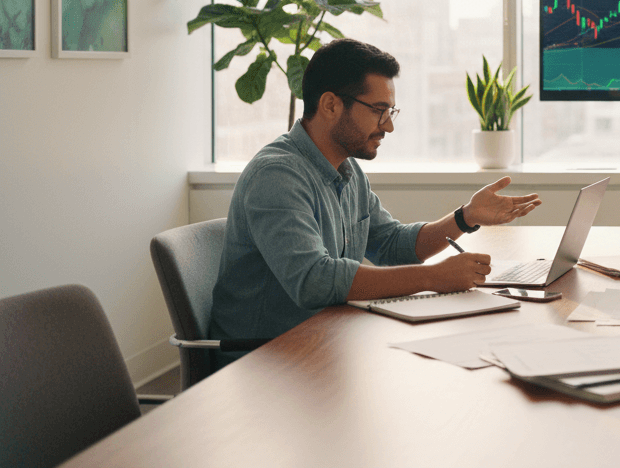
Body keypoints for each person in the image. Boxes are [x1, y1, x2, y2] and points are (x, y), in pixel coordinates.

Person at [210, 39, 541, 357]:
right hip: (265, 358)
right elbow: (313, 281)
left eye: (390, 112)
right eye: (378, 110)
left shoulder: (347, 170)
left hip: (327, 340)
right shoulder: (277, 176)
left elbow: (393, 245)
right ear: (330, 105)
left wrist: (465, 217)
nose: (388, 127)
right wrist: (433, 278)